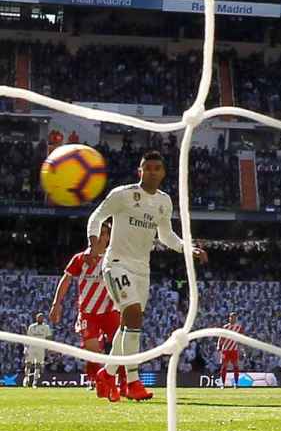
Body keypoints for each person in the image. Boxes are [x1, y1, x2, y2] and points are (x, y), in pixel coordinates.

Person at [86, 150, 208, 402]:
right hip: (116, 264)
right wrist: (92, 242)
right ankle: (132, 381)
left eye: (156, 168)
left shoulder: (164, 202)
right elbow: (97, 216)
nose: (152, 171)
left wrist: (188, 248)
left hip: (143, 270)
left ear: (163, 173)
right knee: (132, 314)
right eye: (147, 167)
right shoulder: (123, 195)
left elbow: (166, 235)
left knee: (129, 324)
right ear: (139, 171)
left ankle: (107, 373)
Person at [50, 219, 127, 394]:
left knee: (121, 347)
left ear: (108, 237)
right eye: (98, 233)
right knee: (92, 350)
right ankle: (98, 382)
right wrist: (57, 303)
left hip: (110, 312)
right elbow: (66, 279)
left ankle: (123, 382)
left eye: (105, 233)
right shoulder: (80, 259)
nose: (101, 237)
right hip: (88, 313)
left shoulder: (114, 258)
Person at [23, 313, 52, 388]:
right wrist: (26, 348)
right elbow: (28, 338)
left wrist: (49, 347)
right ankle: (26, 379)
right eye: (39, 317)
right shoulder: (32, 327)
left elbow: (49, 337)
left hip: (41, 348)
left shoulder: (46, 327)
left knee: (38, 365)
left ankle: (35, 382)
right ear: (36, 318)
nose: (40, 319)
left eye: (42, 317)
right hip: (32, 347)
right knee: (28, 363)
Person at [217, 312, 245, 388]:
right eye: (232, 317)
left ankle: (236, 383)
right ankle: (222, 383)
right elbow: (221, 337)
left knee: (236, 366)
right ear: (229, 318)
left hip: (234, 350)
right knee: (224, 366)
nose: (233, 319)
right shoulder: (225, 327)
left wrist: (242, 349)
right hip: (225, 350)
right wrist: (219, 346)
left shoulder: (238, 328)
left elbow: (242, 339)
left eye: (234, 318)